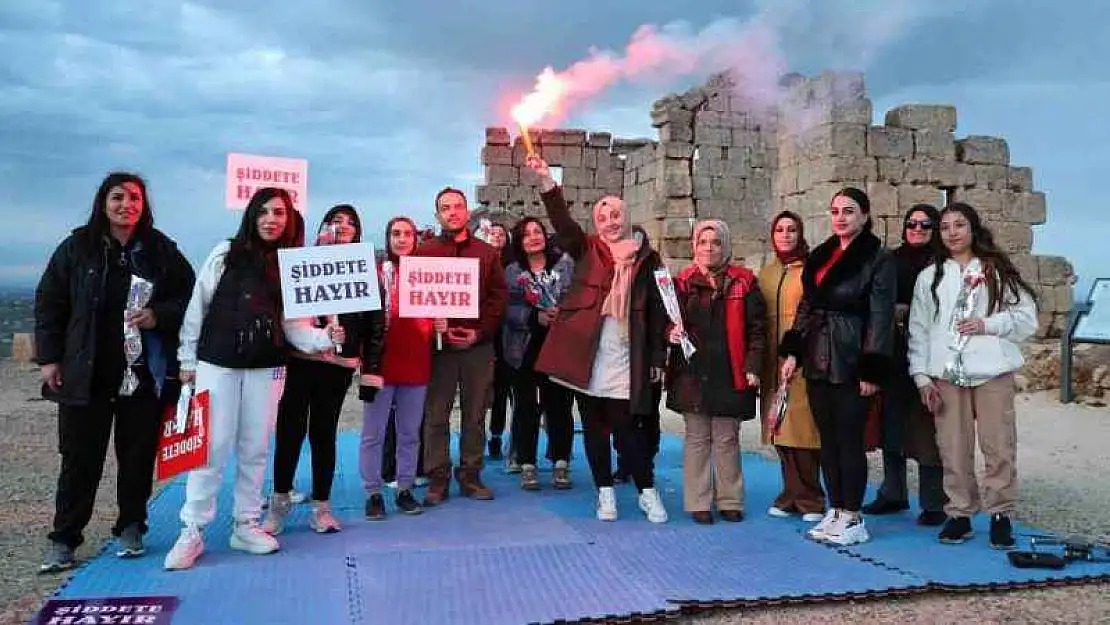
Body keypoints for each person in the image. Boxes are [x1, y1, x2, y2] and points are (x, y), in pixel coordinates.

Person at [164, 188, 339, 570]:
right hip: (217, 362)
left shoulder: (290, 265)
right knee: (210, 447)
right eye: (263, 211)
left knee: (255, 447)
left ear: (288, 218)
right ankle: (192, 529)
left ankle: (246, 524)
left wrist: (324, 339)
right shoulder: (224, 253)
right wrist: (186, 357)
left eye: (279, 212)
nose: (271, 219)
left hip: (266, 367)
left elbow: (294, 326)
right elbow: (199, 305)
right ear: (251, 216)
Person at [34, 172, 195, 572]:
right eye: (118, 197)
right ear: (103, 203)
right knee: (78, 460)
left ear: (145, 204)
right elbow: (49, 303)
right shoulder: (77, 247)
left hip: (143, 374)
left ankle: (131, 526)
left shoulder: (161, 250)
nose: (127, 205)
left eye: (135, 198)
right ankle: (65, 538)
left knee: (137, 456)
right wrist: (50, 359)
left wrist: (159, 315)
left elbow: (190, 299)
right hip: (85, 373)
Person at [525, 155, 669, 523]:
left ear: (627, 217)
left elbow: (656, 312)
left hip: (627, 357)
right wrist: (546, 180)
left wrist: (656, 359)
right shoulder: (587, 249)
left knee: (628, 431)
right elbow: (562, 223)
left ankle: (646, 491)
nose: (610, 222)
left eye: (615, 215)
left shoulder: (647, 259)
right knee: (592, 430)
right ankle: (605, 493)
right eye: (602, 217)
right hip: (588, 355)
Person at [907, 203, 1037, 549]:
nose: (952, 232)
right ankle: (960, 513)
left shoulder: (996, 271)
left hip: (992, 371)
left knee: (998, 444)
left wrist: (987, 324)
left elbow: (1027, 318)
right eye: (946, 226)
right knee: (953, 447)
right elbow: (919, 329)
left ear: (972, 228)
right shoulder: (930, 276)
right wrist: (921, 376)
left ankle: (1000, 514)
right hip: (947, 375)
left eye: (959, 225)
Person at [780, 187, 895, 546]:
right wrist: (793, 352)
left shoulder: (878, 258)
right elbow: (806, 307)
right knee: (826, 439)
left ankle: (853, 515)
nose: (840, 217)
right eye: (835, 211)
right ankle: (836, 508)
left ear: (864, 215)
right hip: (816, 354)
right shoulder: (821, 255)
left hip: (850, 355)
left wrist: (871, 368)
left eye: (848, 210)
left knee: (849, 439)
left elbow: (880, 315)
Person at [264, 204, 377, 535]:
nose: (342, 227)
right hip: (302, 359)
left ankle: (322, 506)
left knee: (324, 432)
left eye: (350, 223)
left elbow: (372, 320)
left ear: (358, 231)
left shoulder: (362, 267)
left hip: (338, 365)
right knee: (289, 429)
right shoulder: (304, 260)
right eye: (335, 221)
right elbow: (287, 311)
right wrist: (317, 336)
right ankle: (279, 502)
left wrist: (354, 346)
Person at [665, 219, 766, 524]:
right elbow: (668, 322)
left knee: (726, 437)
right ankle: (697, 500)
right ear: (694, 247)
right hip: (691, 372)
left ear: (726, 246)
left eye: (716, 242)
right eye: (703, 242)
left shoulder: (744, 282)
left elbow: (758, 329)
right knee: (696, 438)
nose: (709, 248)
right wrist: (670, 332)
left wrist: (753, 365)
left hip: (729, 370)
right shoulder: (681, 283)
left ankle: (730, 499)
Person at [417, 188, 508, 506]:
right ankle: (437, 476)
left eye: (458, 207)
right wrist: (431, 327)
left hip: (476, 346)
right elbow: (415, 298)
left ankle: (470, 474)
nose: (452, 212)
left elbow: (499, 299)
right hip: (438, 348)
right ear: (438, 214)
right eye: (445, 208)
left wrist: (479, 333)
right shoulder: (424, 252)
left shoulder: (486, 253)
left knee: (475, 413)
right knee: (436, 414)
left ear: (467, 212)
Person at [863, 205, 947, 526]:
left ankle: (934, 501)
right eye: (911, 223)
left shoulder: (944, 265)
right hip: (893, 356)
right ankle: (893, 491)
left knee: (927, 429)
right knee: (891, 426)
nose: (917, 229)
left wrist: (910, 312)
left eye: (926, 224)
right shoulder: (890, 260)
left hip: (930, 357)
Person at [359, 216, 434, 519]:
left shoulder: (429, 276)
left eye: (407, 234)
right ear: (387, 238)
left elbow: (443, 307)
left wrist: (441, 323)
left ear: (416, 238)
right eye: (395, 233)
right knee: (372, 433)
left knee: (409, 432)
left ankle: (404, 488)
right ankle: (373, 492)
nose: (401, 239)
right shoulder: (374, 275)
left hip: (416, 362)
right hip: (379, 363)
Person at [758, 211, 825, 524]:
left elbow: (814, 312)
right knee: (779, 429)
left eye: (792, 230)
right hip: (772, 360)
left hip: (801, 357)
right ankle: (790, 494)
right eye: (780, 230)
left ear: (801, 233)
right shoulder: (768, 273)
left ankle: (811, 497)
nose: (785, 235)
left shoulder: (811, 268)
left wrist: (797, 351)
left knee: (803, 432)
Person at [502, 217, 575, 490]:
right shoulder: (511, 272)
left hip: (559, 345)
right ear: (519, 241)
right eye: (527, 234)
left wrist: (563, 313)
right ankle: (527, 462)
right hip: (523, 348)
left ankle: (561, 462)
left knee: (560, 405)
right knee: (525, 407)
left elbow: (577, 299)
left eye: (538, 231)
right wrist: (534, 317)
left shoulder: (565, 266)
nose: (534, 237)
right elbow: (506, 310)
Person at [614, 225, 663, 485]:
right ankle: (624, 462)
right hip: (618, 351)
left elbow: (660, 314)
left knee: (647, 414)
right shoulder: (611, 265)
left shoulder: (654, 266)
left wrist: (657, 358)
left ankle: (646, 463)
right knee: (621, 412)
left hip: (644, 351)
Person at [485, 222, 514, 462]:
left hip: (510, 334)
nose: (496, 236)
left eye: (500, 232)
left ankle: (498, 435)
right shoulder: (479, 261)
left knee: (504, 390)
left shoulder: (513, 265)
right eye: (492, 233)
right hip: (485, 333)